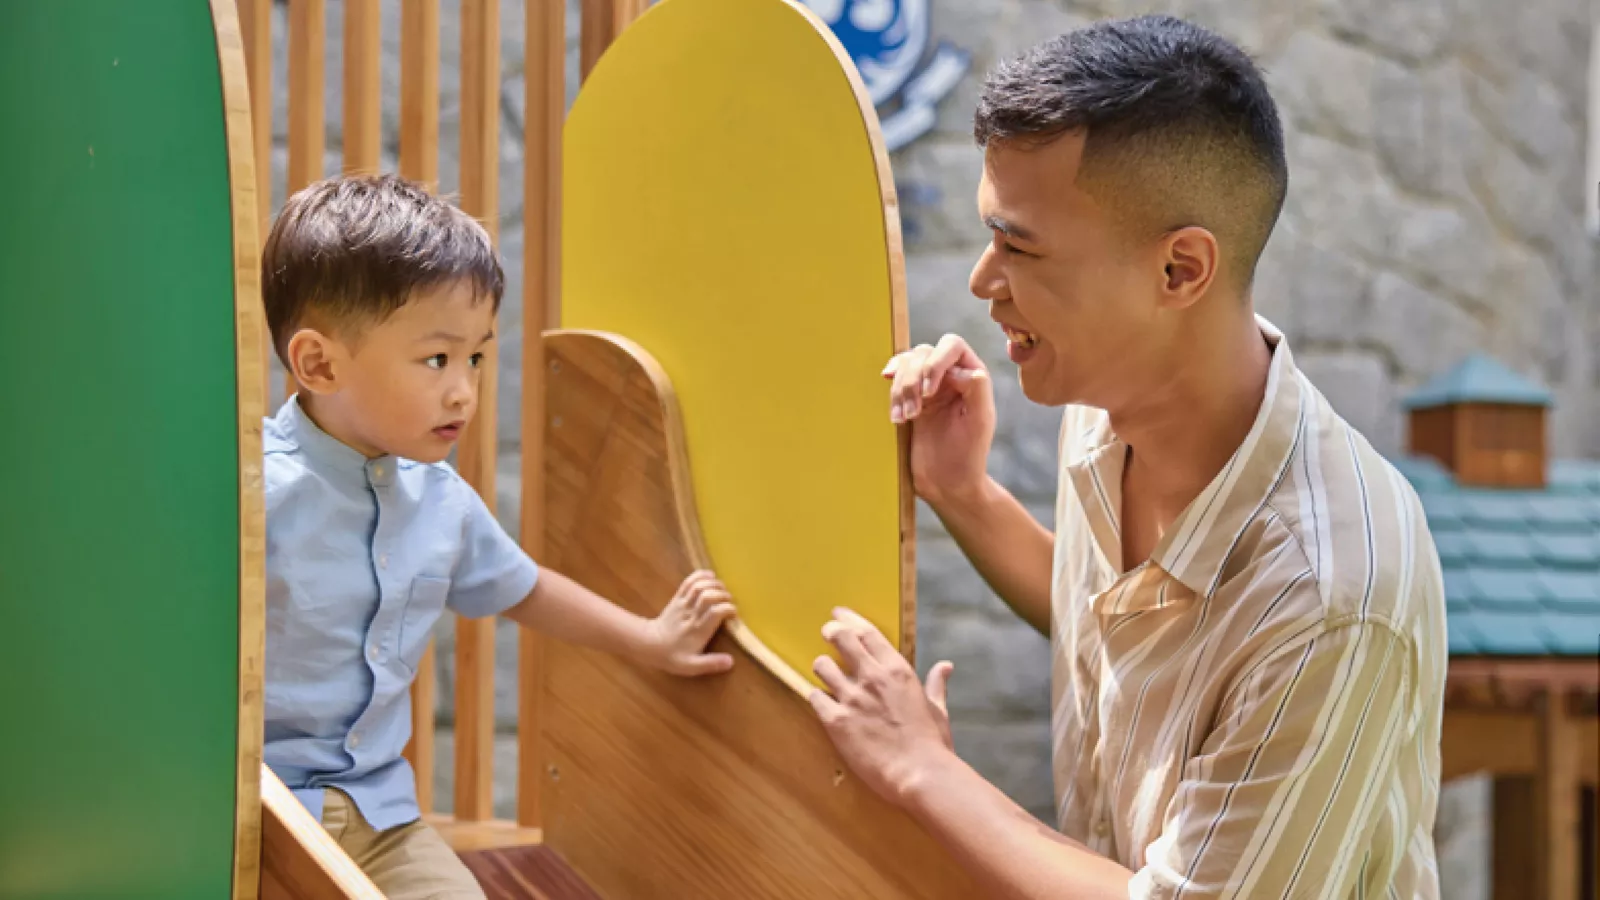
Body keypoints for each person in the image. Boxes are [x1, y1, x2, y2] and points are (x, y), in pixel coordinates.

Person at [808, 16, 1447, 899]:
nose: (982, 280)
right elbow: (1109, 622)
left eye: (1019, 246)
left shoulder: (1328, 600)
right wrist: (961, 491)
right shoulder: (1111, 413)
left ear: (1180, 271)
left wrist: (924, 772)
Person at [261, 174, 738, 900]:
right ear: (319, 364)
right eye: (436, 359)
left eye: (475, 358)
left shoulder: (441, 500)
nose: (463, 390)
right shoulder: (254, 496)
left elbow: (527, 588)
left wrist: (650, 640)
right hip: (263, 819)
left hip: (382, 818)